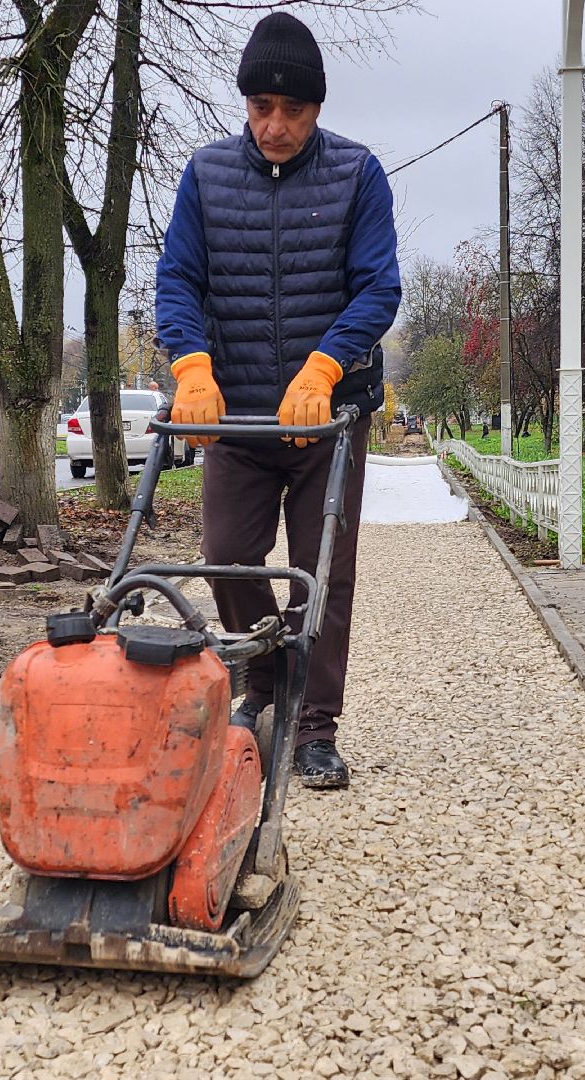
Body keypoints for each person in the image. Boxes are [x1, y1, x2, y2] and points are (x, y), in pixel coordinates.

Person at [155, 12, 401, 790]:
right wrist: (192, 366)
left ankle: (314, 728)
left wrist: (325, 366)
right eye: (262, 106)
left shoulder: (358, 175)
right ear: (246, 103)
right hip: (237, 418)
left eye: (293, 110)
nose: (276, 125)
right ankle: (263, 682)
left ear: (317, 109)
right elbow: (178, 281)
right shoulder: (206, 175)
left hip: (325, 420)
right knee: (227, 554)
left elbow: (378, 288)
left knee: (326, 571)